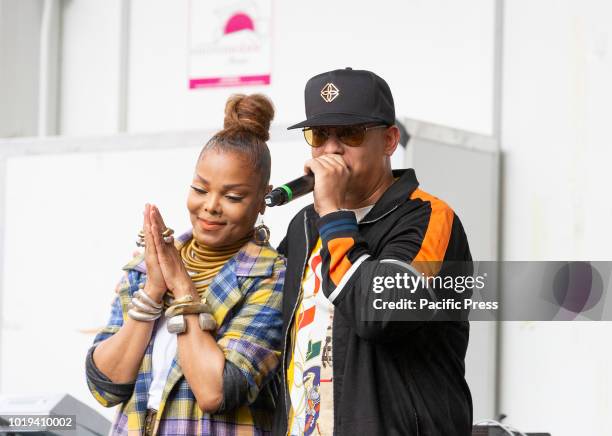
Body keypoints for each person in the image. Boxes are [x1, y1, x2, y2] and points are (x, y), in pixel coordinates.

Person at [272, 68, 473, 436]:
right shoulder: (304, 224)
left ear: (389, 140)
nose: (331, 149)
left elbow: (380, 313)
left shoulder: (429, 218)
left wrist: (333, 213)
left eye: (349, 133)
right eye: (319, 135)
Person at [85, 94, 285, 435]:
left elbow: (217, 390)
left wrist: (182, 288)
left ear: (263, 198)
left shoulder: (272, 276)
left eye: (233, 196)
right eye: (200, 189)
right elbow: (105, 386)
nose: (211, 206)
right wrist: (152, 290)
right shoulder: (146, 267)